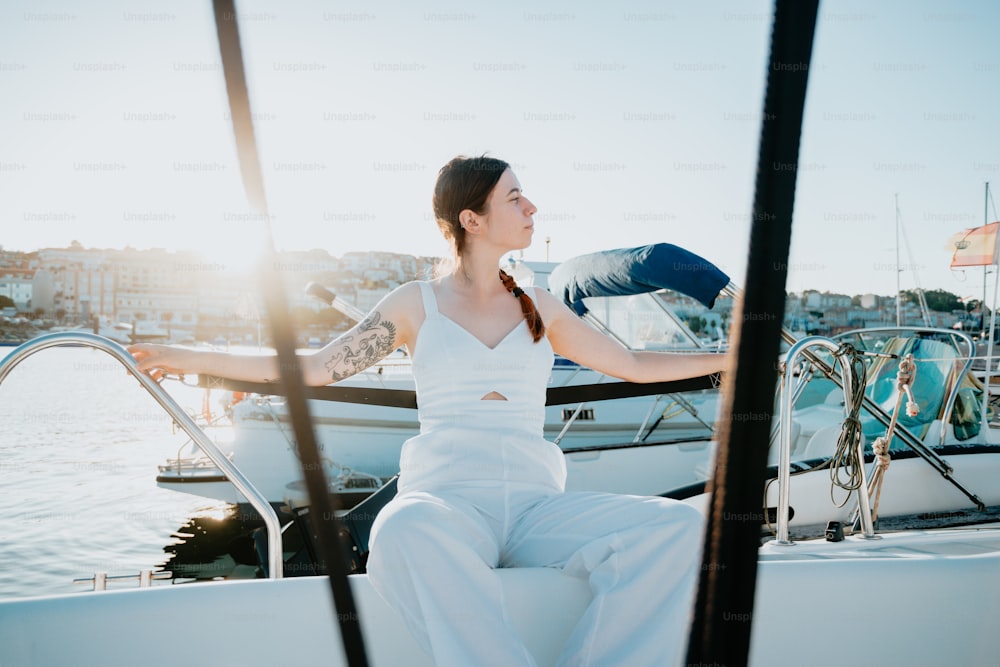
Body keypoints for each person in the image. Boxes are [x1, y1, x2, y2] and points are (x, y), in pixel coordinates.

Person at [131, 155, 729, 666]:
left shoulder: (539, 306)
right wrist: (189, 355)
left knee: (681, 530)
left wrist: (737, 356)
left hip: (535, 505)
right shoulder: (416, 304)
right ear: (472, 219)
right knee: (401, 530)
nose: (532, 208)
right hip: (446, 500)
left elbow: (632, 364)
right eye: (515, 197)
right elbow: (315, 368)